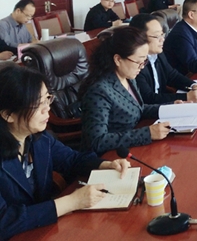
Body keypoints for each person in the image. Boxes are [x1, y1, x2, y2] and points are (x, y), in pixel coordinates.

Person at [0, 65, 130, 240]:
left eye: (47, 99)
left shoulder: (39, 138)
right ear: (8, 115)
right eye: (37, 104)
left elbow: (71, 159)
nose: (47, 109)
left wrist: (105, 165)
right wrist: (72, 202)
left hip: (43, 230)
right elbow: (4, 221)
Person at [80, 26, 170, 155]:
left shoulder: (128, 77)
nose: (141, 67)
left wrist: (170, 108)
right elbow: (97, 141)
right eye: (138, 62)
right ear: (118, 59)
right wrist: (148, 133)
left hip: (131, 147)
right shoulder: (99, 91)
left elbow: (138, 109)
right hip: (110, 157)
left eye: (144, 61)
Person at [129, 14, 197, 104]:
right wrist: (186, 97)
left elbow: (172, 75)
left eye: (162, 34)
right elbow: (148, 98)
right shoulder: (135, 63)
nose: (162, 39)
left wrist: (194, 85)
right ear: (140, 38)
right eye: (157, 36)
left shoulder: (158, 54)